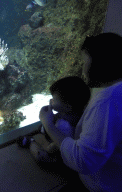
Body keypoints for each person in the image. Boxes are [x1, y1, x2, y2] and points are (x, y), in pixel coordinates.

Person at [39, 32, 122, 191]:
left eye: (85, 61)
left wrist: (48, 124)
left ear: (100, 62)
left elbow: (83, 161)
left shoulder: (107, 101)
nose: (83, 69)